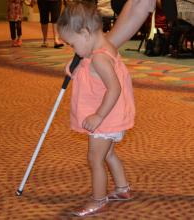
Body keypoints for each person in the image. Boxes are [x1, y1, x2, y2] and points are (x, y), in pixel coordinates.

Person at [57, 1, 135, 217]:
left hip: (106, 118)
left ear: (85, 33)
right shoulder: (104, 47)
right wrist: (74, 66)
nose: (73, 49)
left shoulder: (100, 58)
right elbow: (89, 67)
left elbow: (114, 88)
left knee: (95, 159)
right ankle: (122, 189)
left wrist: (98, 115)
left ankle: (98, 199)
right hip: (113, 116)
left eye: (72, 44)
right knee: (108, 153)